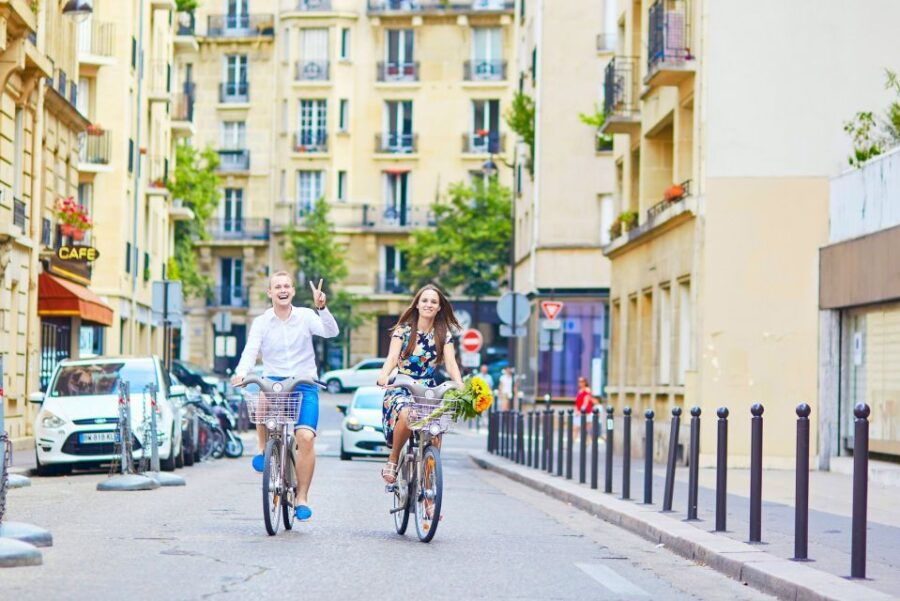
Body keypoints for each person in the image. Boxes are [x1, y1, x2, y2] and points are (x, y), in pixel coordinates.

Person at [231, 271, 339, 522]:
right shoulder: (261, 322)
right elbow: (250, 352)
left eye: (287, 286)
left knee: (305, 438)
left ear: (292, 291)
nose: (282, 290)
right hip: (275, 381)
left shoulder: (306, 316)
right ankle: (261, 447)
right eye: (277, 286)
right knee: (261, 392)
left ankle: (301, 498)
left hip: (304, 382)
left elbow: (330, 332)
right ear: (270, 292)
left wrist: (322, 308)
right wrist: (241, 374)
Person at [376, 284, 464, 484]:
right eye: (424, 300)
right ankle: (393, 459)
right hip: (402, 386)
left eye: (434, 302)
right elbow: (391, 358)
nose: (429, 305)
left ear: (440, 307)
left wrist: (459, 383)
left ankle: (429, 493)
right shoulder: (403, 331)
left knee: (436, 431)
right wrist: (384, 375)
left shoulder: (444, 334)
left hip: (429, 390)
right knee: (408, 414)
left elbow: (451, 363)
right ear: (416, 304)